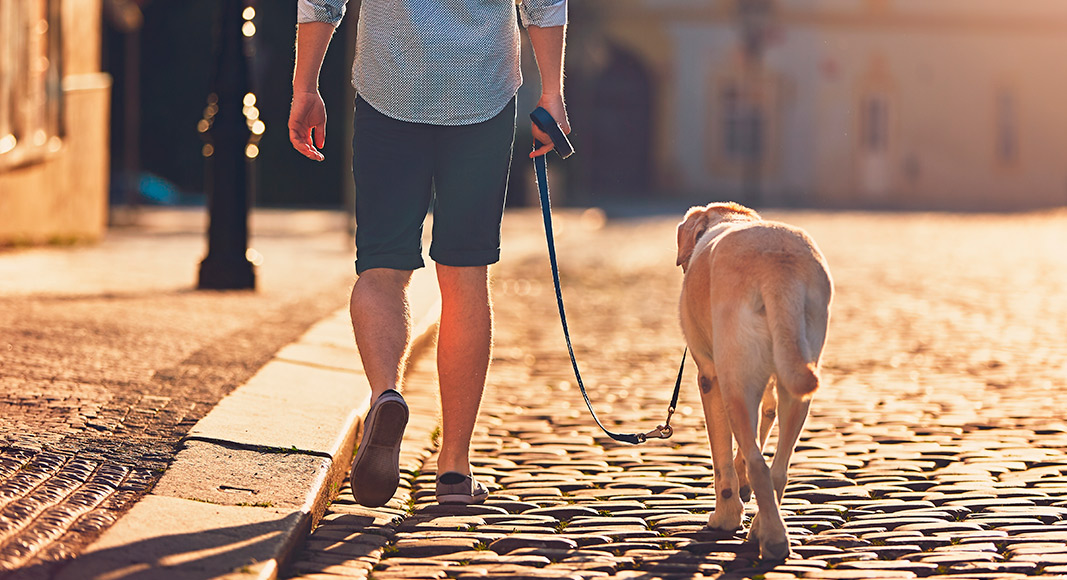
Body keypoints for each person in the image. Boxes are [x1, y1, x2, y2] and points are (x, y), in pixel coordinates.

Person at [288, 0, 571, 507]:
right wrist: (551, 93)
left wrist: (305, 88)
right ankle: (455, 469)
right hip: (482, 94)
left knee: (381, 267)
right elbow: (543, 4)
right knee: (465, 278)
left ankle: (385, 395)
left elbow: (322, 1)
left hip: (387, 89)